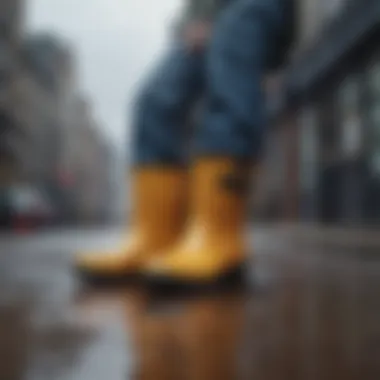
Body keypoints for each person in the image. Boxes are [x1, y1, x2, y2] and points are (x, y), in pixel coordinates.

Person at [76, 0, 296, 285]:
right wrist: (196, 21)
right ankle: (155, 238)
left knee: (231, 45)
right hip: (215, 15)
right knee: (155, 96)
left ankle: (219, 238)